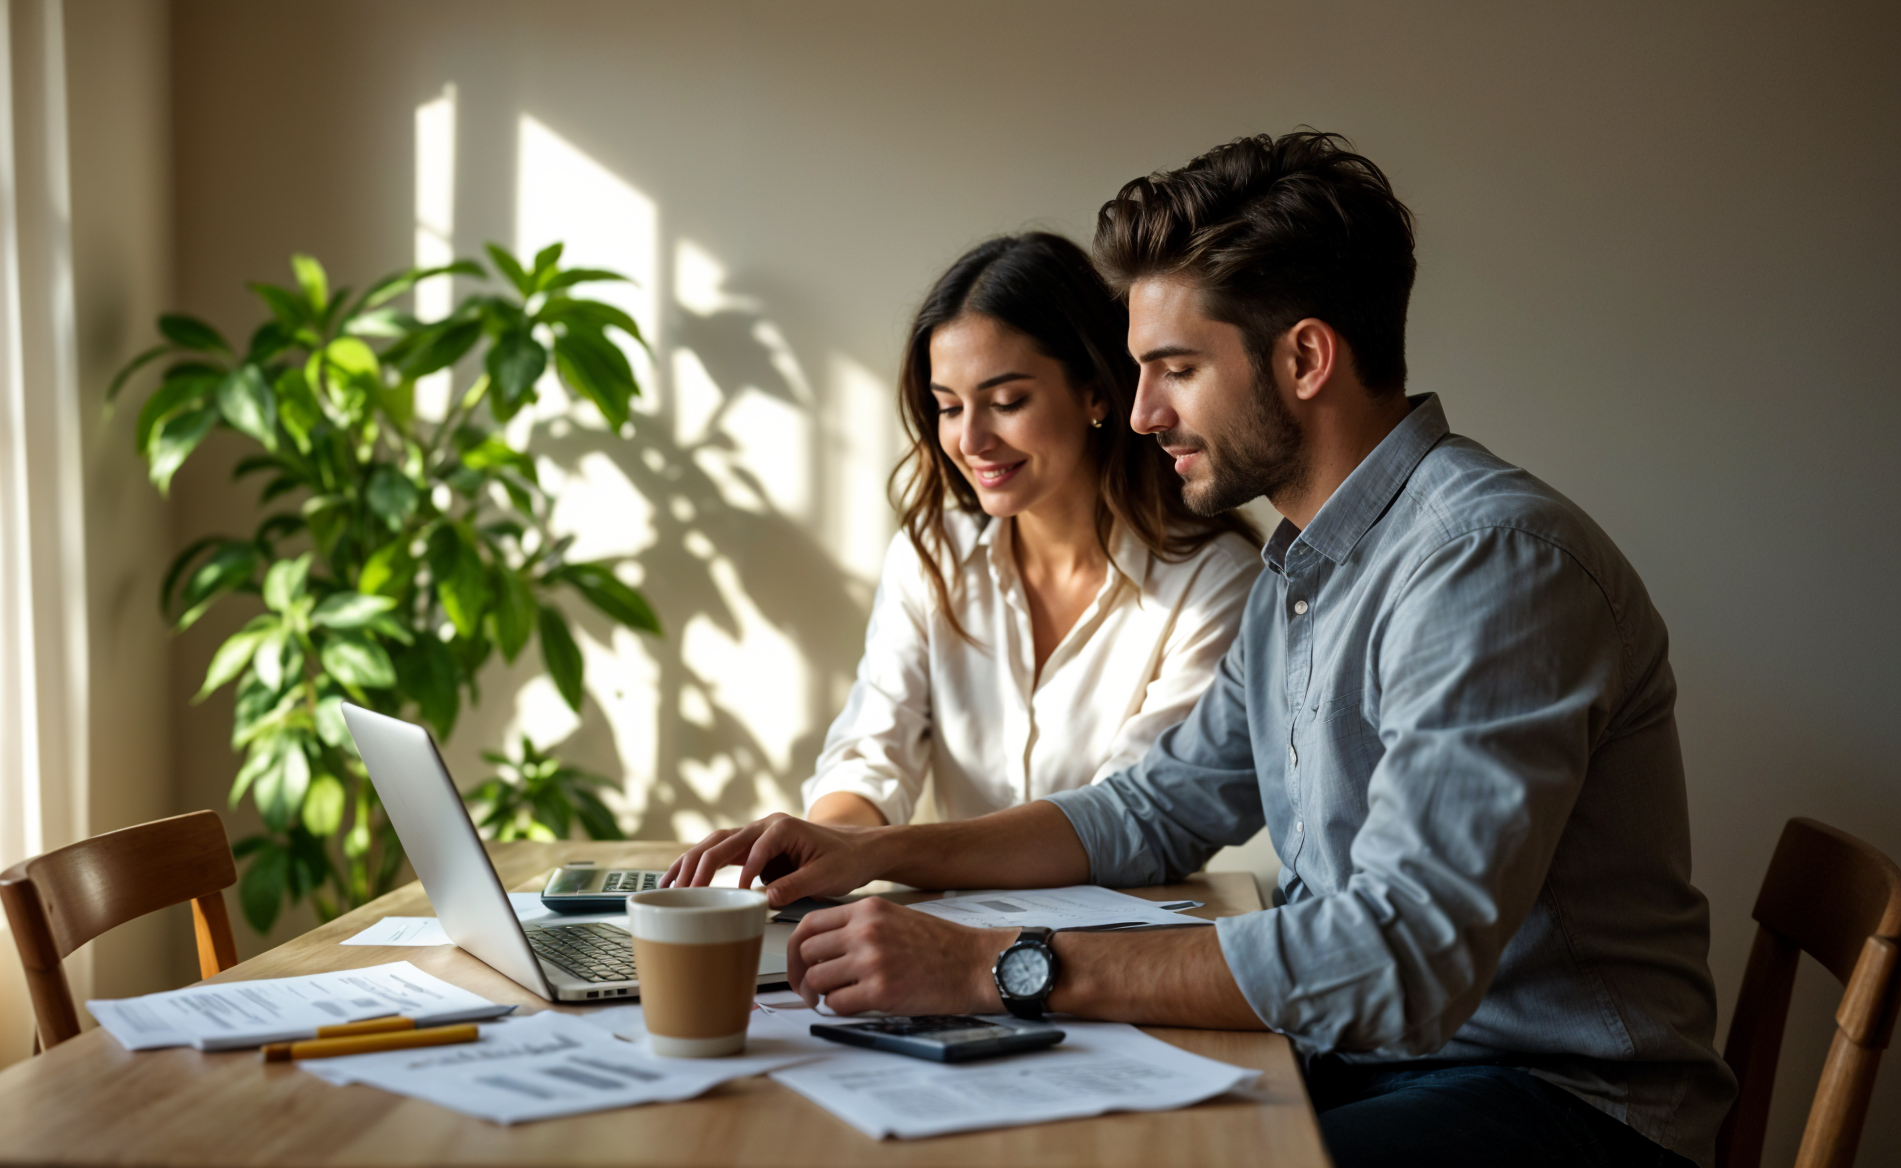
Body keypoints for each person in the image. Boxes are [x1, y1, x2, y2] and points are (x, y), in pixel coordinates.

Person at [667, 133, 1734, 1168]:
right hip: (1385, 1064)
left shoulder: (1486, 564)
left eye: (1172, 368)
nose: (1137, 414)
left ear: (1304, 358)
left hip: (1560, 1104)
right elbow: (1152, 808)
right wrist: (875, 852)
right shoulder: (1306, 567)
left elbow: (1400, 957)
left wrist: (991, 964)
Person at [802, 233, 1261, 828]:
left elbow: (1127, 818)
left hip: (1120, 922)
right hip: (946, 914)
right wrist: (826, 846)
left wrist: (887, 855)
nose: (970, 442)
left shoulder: (1212, 585)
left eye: (1008, 401)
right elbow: (869, 754)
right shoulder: (931, 557)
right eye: (948, 406)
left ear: (1095, 390)